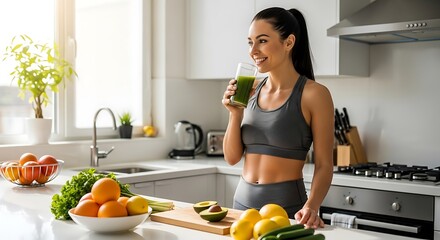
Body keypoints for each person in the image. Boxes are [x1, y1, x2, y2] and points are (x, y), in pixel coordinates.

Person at [221, 7, 334, 229]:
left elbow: (324, 165)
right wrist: (235, 115)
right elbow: (232, 158)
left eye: (262, 41)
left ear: (289, 42)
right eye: (250, 42)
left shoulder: (315, 94)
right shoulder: (250, 90)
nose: (253, 50)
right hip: (241, 207)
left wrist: (311, 206)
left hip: (287, 210)